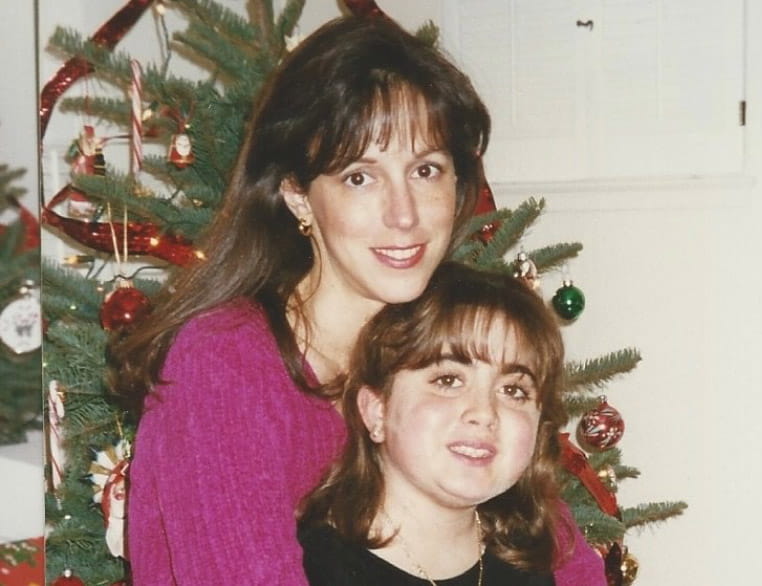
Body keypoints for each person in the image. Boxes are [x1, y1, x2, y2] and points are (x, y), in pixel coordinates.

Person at [109, 14, 601, 586]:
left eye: (425, 170)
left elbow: (567, 559)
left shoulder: (440, 336)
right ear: (297, 195)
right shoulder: (224, 363)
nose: (404, 215)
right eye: (360, 178)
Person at [298, 262, 605, 585]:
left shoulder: (539, 564)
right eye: (448, 380)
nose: (485, 412)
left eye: (513, 390)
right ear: (377, 410)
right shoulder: (312, 568)